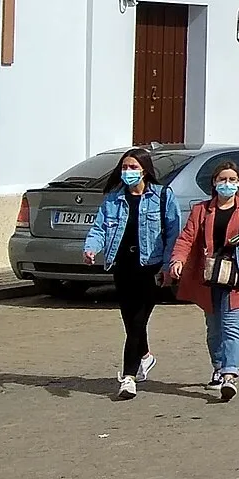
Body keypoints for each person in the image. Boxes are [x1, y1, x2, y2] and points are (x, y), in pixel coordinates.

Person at [81, 147, 179, 399]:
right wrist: (91, 248)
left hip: (150, 267)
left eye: (133, 167)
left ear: (145, 170)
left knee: (137, 321)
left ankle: (128, 377)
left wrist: (169, 265)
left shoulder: (162, 196)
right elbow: (100, 227)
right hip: (122, 266)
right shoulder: (114, 199)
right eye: (125, 167)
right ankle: (145, 355)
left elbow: (173, 234)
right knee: (130, 320)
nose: (128, 172)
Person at [168, 159, 239, 402]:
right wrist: (177, 260)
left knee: (232, 327)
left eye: (232, 180)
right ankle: (219, 366)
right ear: (214, 182)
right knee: (214, 330)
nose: (227, 184)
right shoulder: (201, 209)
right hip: (210, 276)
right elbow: (187, 238)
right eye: (223, 179)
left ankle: (229, 376)